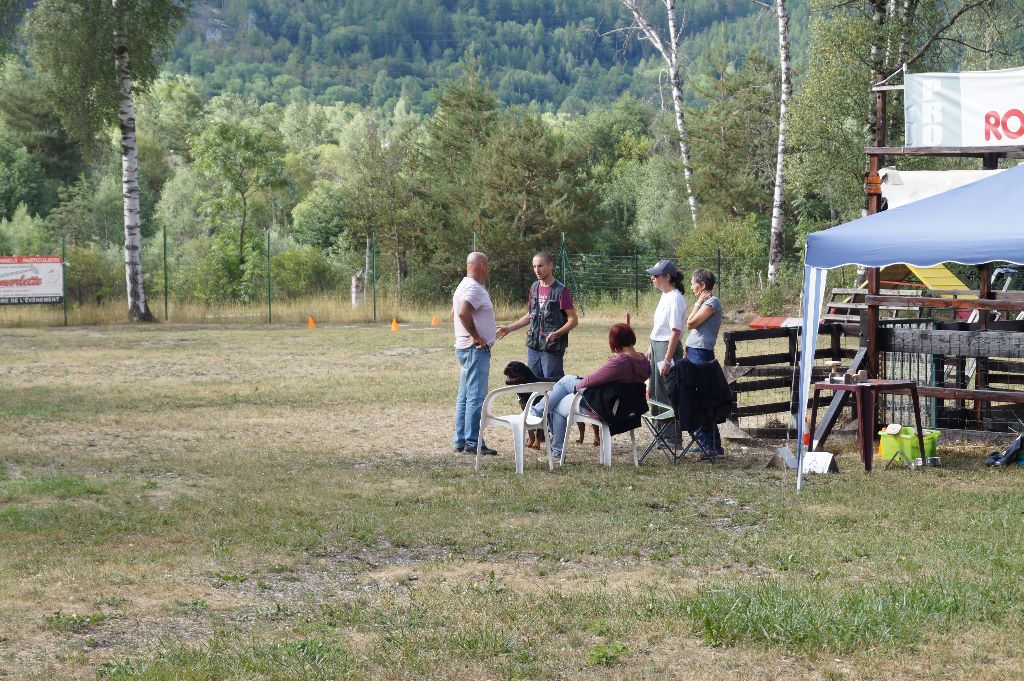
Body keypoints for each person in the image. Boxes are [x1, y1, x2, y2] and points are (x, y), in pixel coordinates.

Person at [532, 324, 650, 461]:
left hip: (604, 408)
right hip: (627, 409)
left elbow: (592, 380)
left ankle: (539, 420)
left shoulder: (619, 362)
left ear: (614, 341)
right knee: (566, 383)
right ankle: (538, 413)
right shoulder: (643, 360)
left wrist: (578, 386)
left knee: (561, 396)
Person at [495, 252, 578, 380]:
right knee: (533, 385)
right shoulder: (534, 287)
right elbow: (531, 314)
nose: (536, 270)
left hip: (552, 348)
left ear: (550, 266)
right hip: (533, 347)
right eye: (534, 266)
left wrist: (557, 333)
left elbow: (573, 320)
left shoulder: (561, 291)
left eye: (540, 266)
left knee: (552, 386)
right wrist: (509, 328)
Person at [452, 252, 497, 457]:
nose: (488, 270)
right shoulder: (474, 288)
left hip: (464, 348)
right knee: (476, 397)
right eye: (486, 265)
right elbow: (462, 312)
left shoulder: (462, 286)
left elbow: (453, 313)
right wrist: (477, 336)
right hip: (475, 350)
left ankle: (461, 440)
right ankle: (473, 441)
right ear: (481, 265)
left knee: (464, 397)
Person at [685, 267, 725, 457]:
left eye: (693, 283)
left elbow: (690, 323)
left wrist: (698, 303)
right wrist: (698, 302)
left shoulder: (712, 302)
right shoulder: (705, 302)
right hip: (694, 351)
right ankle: (709, 443)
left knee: (701, 398)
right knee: (697, 397)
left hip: (700, 353)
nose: (691, 286)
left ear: (702, 285)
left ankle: (710, 445)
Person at [646, 258, 687, 412]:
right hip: (657, 346)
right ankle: (659, 434)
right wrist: (651, 346)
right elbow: (659, 326)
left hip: (667, 348)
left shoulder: (676, 298)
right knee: (655, 392)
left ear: (667, 277)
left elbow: (675, 331)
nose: (652, 278)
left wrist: (667, 360)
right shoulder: (665, 295)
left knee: (667, 392)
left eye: (656, 275)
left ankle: (670, 436)